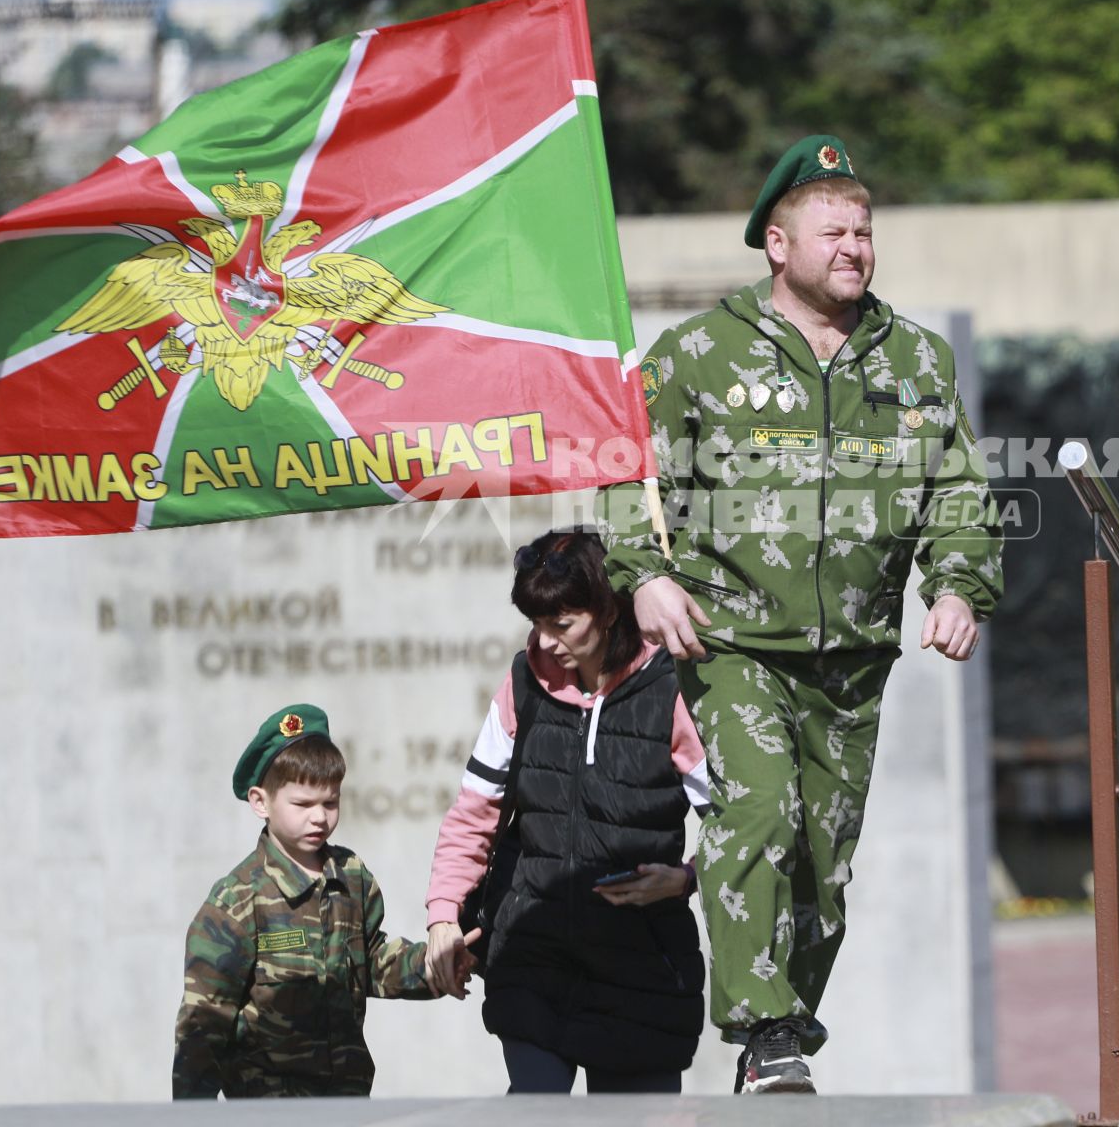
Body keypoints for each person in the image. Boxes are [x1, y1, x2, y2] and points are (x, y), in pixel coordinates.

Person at [600, 134, 1004, 1093]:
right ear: (777, 244)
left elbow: (959, 489)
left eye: (864, 230)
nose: (855, 247)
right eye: (834, 231)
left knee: (823, 862)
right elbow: (623, 464)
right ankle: (763, 1028)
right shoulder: (701, 351)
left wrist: (957, 586)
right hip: (734, 637)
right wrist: (644, 576)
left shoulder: (916, 358)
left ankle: (782, 1040)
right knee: (760, 811)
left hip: (856, 653)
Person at [423, 529, 713, 1094]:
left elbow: (738, 823)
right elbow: (474, 814)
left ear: (607, 611)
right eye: (537, 623)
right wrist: (442, 915)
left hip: (642, 967)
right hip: (534, 956)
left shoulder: (673, 686)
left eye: (563, 624)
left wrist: (684, 880)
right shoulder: (522, 683)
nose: (546, 641)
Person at [172, 704, 435, 1098]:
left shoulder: (350, 876)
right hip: (268, 1107)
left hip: (346, 1101)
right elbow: (205, 1019)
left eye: (330, 803)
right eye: (303, 805)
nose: (319, 818)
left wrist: (435, 966)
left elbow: (374, 961)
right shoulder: (240, 898)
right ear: (261, 802)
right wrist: (192, 1115)